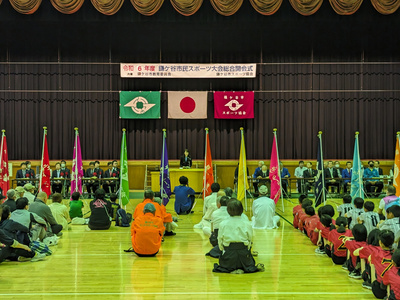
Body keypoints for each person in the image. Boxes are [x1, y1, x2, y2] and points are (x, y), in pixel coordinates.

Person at [213, 199, 263, 274]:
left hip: (228, 256)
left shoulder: (223, 224)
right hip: (244, 256)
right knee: (249, 261)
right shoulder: (247, 223)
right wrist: (247, 249)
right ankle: (242, 268)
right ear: (241, 210)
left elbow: (220, 241)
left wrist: (223, 250)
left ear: (228, 210)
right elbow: (250, 240)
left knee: (224, 260)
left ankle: (232, 268)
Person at [370, 230, 394, 299]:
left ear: (380, 243)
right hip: (394, 289)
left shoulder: (376, 253)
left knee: (372, 263)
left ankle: (372, 282)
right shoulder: (396, 254)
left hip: (380, 290)